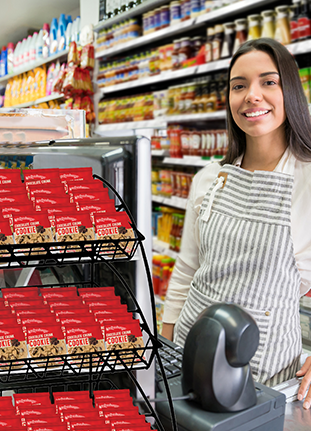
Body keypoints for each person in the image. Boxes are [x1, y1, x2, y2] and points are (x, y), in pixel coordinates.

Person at [161, 38, 311, 409]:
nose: (251, 96)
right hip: (188, 357)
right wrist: (163, 349)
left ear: (290, 90)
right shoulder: (210, 177)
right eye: (239, 85)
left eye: (268, 82)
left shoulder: (307, 180)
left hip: (264, 374)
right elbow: (187, 271)